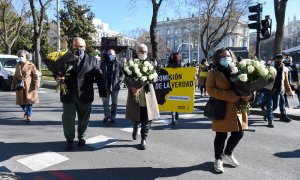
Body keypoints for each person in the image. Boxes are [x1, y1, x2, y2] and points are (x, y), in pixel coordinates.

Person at [206, 47, 253, 173]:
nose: (226, 58)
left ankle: (228, 153)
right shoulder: (213, 73)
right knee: (221, 135)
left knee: (239, 133)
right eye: (222, 57)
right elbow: (210, 90)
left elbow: (249, 86)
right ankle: (218, 159)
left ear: (232, 57)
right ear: (217, 59)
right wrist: (232, 96)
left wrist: (251, 95)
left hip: (239, 108)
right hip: (222, 109)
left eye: (228, 56)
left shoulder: (239, 70)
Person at [55, 37, 106, 151]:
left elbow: (100, 77)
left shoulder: (93, 60)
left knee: (84, 119)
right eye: (76, 46)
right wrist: (57, 77)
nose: (78, 48)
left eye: (81, 46)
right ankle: (69, 139)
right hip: (68, 95)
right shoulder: (65, 58)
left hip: (85, 95)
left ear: (85, 47)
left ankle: (82, 137)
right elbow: (57, 70)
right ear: (72, 46)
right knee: (68, 118)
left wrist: (103, 93)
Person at [125, 43, 160, 150]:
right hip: (135, 93)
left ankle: (143, 139)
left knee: (147, 117)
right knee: (136, 114)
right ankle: (135, 126)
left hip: (147, 94)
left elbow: (155, 78)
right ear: (136, 52)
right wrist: (131, 86)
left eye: (144, 51)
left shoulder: (151, 63)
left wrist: (148, 78)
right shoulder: (130, 63)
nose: (142, 53)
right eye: (140, 51)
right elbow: (125, 76)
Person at [262, 54, 293, 128]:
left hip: (278, 91)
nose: (279, 60)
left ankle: (266, 113)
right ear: (275, 59)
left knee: (275, 106)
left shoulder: (285, 69)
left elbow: (286, 82)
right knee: (270, 106)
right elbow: (263, 77)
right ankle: (270, 121)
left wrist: (289, 91)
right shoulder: (270, 67)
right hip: (268, 89)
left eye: (281, 59)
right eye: (278, 59)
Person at [11, 50, 40, 122]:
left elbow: (35, 75)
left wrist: (37, 84)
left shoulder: (31, 65)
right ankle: (26, 112)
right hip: (20, 85)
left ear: (26, 57)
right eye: (19, 56)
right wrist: (13, 84)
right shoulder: (18, 64)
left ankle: (28, 115)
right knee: (20, 102)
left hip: (29, 85)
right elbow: (15, 75)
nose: (21, 57)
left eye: (22, 56)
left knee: (29, 101)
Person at [100, 49, 124, 123]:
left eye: (112, 54)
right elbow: (99, 72)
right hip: (105, 86)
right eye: (109, 54)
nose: (110, 55)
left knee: (114, 103)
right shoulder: (103, 63)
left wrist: (119, 82)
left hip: (115, 87)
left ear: (114, 55)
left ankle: (113, 117)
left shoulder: (118, 63)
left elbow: (122, 74)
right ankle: (107, 116)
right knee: (105, 103)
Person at [167, 52, 182, 125]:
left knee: (173, 101)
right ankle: (175, 115)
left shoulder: (170, 65)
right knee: (175, 101)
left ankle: (174, 116)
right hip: (175, 86)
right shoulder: (179, 65)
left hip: (174, 86)